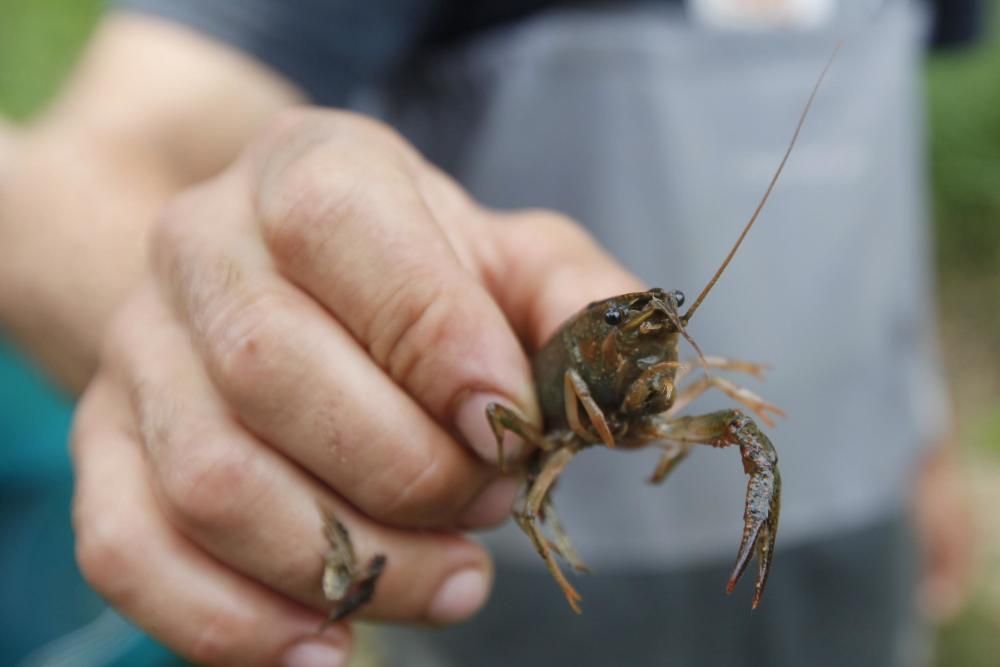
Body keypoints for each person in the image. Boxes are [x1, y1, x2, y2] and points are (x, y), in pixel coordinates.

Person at [0, 0, 978, 665]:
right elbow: (76, 165)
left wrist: (918, 429)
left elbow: (873, 166)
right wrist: (190, 314)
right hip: (522, 605)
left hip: (857, 543)